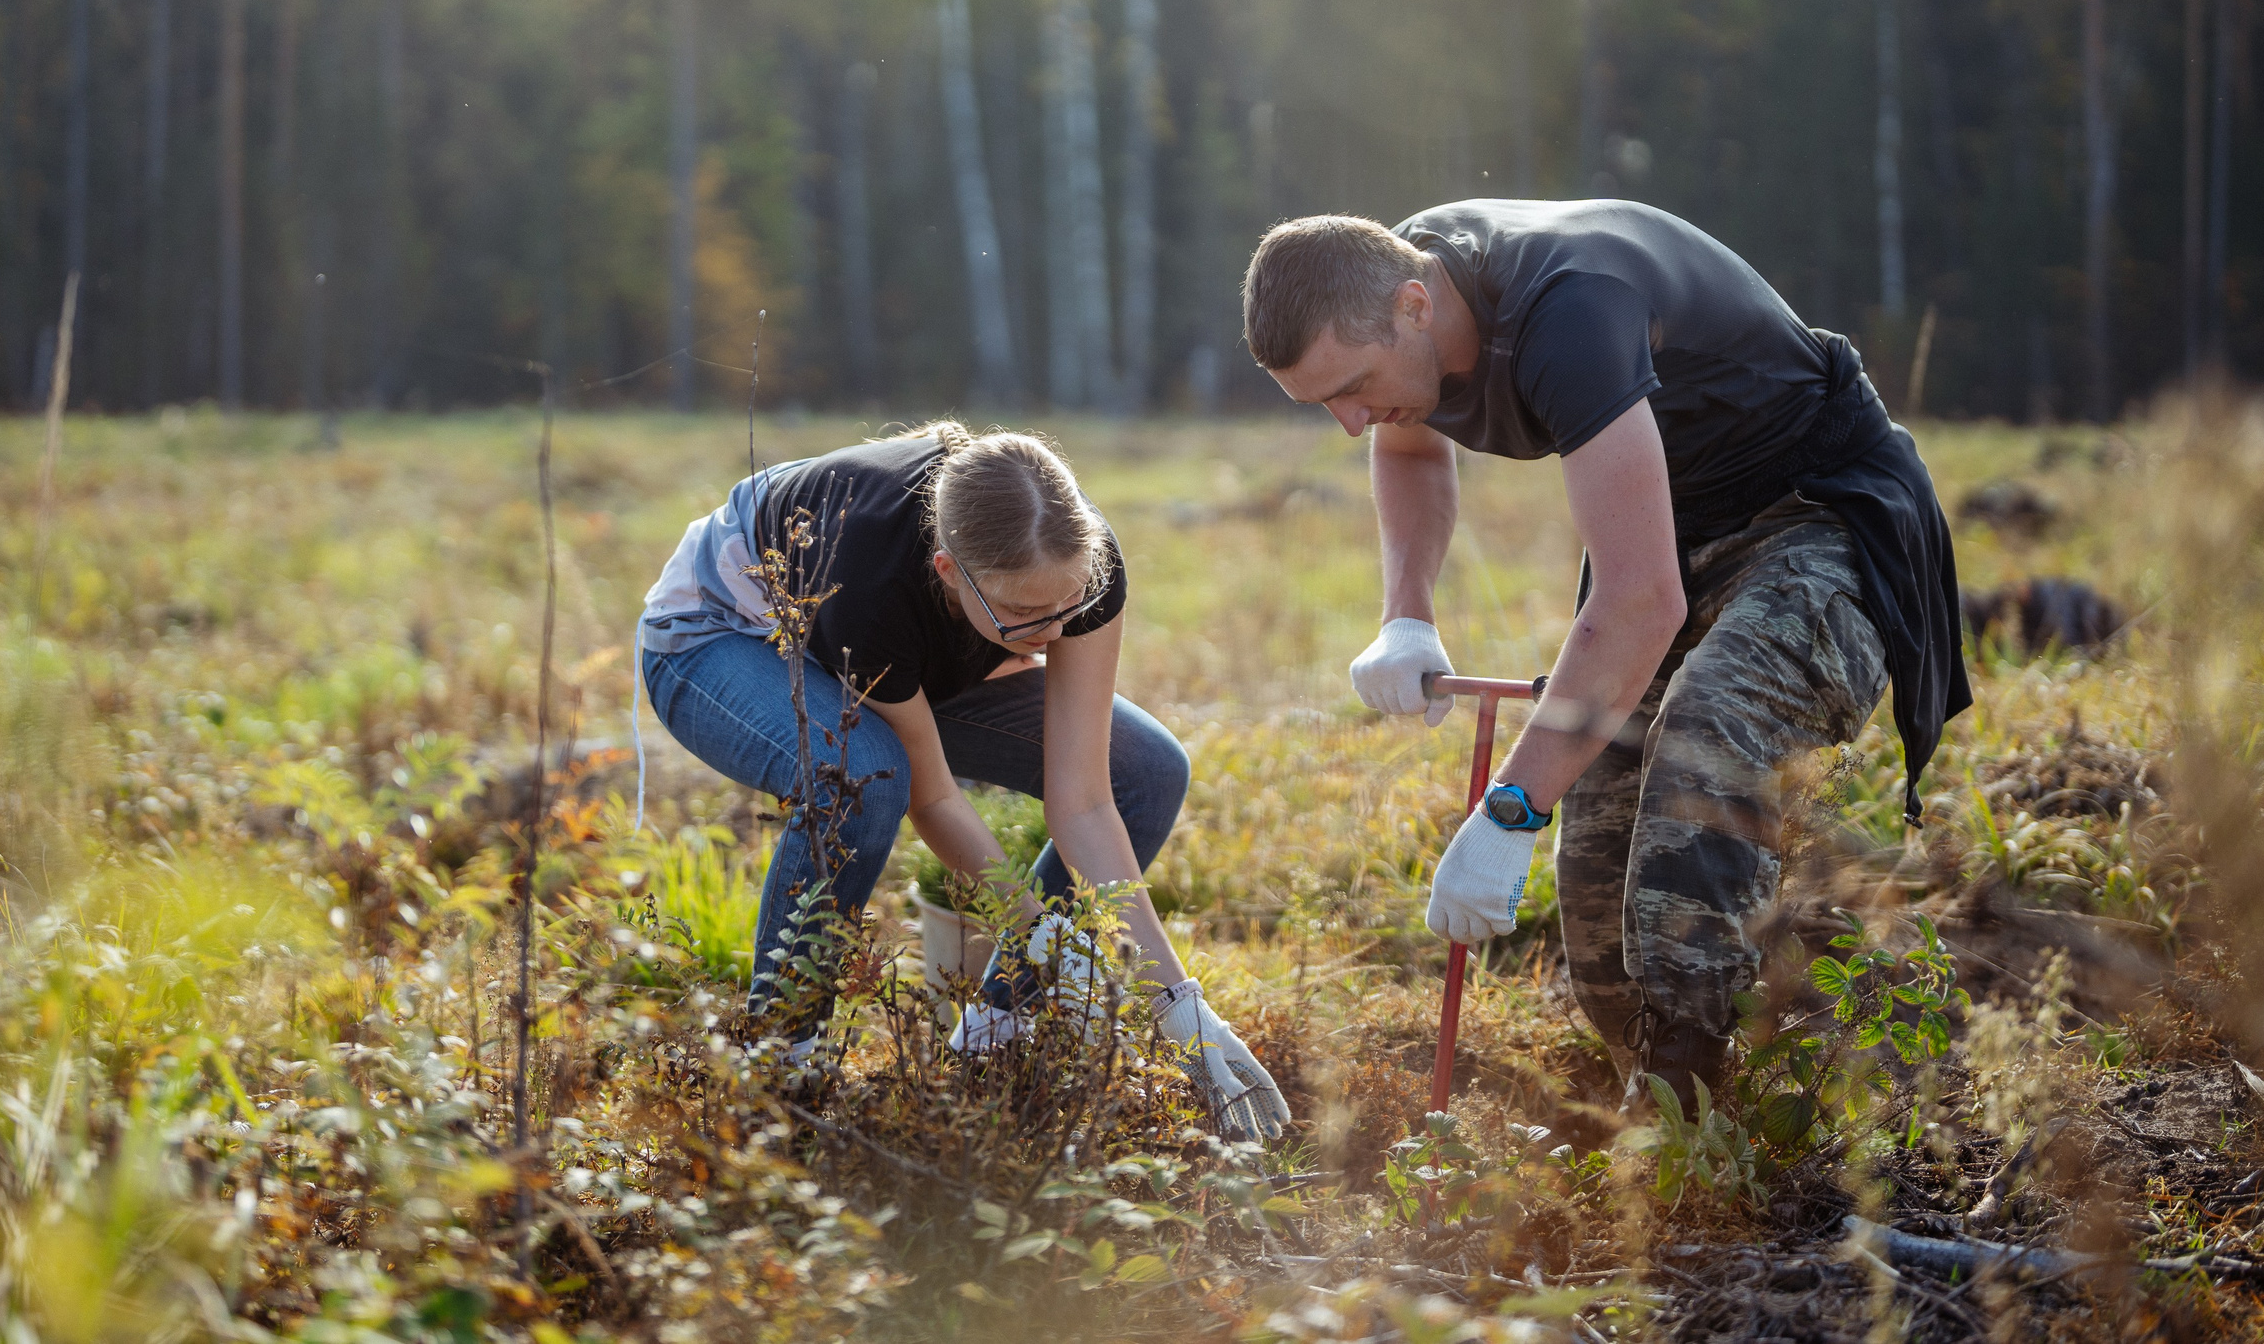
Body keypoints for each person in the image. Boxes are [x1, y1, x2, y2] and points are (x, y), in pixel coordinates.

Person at [1241, 203, 1968, 1107]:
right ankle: (1684, 1090)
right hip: (1676, 529)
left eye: (1354, 386)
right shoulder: (1391, 288)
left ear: (1416, 307)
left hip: (1819, 512)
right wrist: (1406, 616)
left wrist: (1509, 810)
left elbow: (1639, 601)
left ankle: (1709, 1118)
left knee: (1710, 732)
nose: (1350, 425)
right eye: (1323, 405)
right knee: (1600, 896)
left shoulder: (1571, 314)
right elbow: (1410, 445)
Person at [638, 421, 1287, 1136]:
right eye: (1023, 614)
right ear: (950, 571)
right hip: (718, 637)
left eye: (1067, 606)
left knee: (1149, 768)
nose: (1053, 631)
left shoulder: (1077, 564)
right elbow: (932, 793)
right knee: (864, 772)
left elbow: (1088, 800)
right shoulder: (872, 576)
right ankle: (782, 1074)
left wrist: (1176, 1001)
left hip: (907, 663)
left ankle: (994, 1041)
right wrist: (1043, 934)